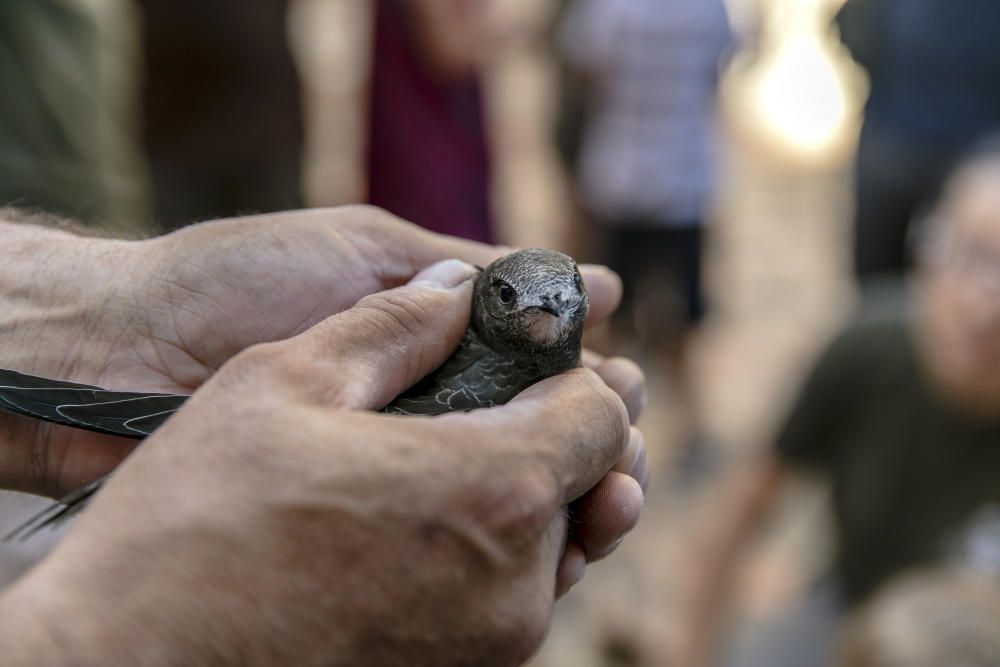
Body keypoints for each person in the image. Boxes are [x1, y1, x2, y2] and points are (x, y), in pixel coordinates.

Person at [0, 205, 648, 665]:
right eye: (512, 298)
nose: (550, 313)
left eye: (566, 303)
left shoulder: (536, 371)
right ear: (484, 296)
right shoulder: (461, 352)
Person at [674, 137, 1000, 666]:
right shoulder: (870, 351)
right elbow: (740, 510)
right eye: (972, 255)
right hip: (848, 610)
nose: (986, 301)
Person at [836, 0, 1000, 283]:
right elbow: (852, 23)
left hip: (981, 142)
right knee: (876, 267)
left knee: (975, 268)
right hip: (895, 132)